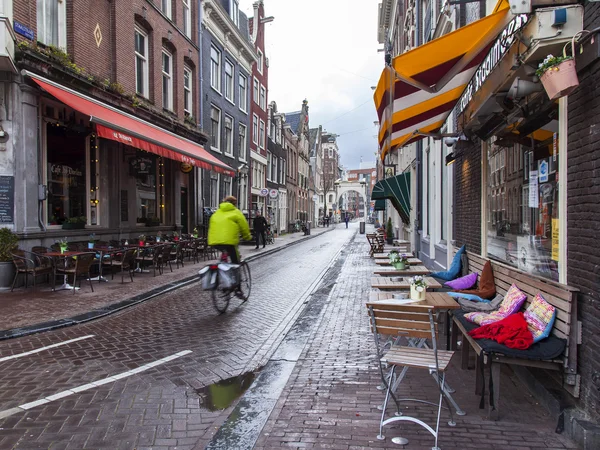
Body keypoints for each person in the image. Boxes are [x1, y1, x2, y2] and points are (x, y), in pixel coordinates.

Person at [207, 196, 252, 264]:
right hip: (229, 242)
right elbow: (244, 227)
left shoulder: (217, 212)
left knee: (224, 252)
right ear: (235, 204)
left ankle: (220, 268)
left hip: (213, 241)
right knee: (235, 261)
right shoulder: (236, 212)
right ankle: (235, 273)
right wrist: (247, 237)